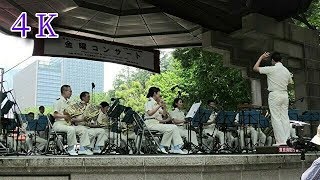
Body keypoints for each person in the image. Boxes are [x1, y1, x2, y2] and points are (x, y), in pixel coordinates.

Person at [253, 52, 294, 146]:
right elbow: (290, 82)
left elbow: (255, 68)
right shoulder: (286, 70)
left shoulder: (271, 69)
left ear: (272, 60)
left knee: (276, 118)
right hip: (284, 94)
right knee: (285, 117)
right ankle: (287, 141)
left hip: (275, 94)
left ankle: (281, 142)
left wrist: (261, 57)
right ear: (281, 60)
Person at [52, 85, 92, 156]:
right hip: (59, 124)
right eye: (70, 91)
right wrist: (65, 116)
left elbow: (73, 116)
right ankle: (71, 149)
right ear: (64, 91)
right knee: (71, 129)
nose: (71, 93)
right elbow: (55, 115)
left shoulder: (70, 103)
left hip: (68, 124)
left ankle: (82, 149)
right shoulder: (58, 101)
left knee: (82, 129)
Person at [144, 87, 185, 154]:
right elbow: (149, 113)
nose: (160, 95)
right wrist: (159, 105)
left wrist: (164, 106)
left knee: (174, 127)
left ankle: (176, 147)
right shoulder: (149, 102)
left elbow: (164, 114)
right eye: (159, 93)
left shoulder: (155, 104)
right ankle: (162, 146)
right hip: (150, 123)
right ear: (154, 93)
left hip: (156, 123)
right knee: (170, 128)